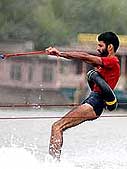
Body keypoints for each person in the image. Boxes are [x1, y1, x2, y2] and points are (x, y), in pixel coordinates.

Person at [45, 31, 120, 160]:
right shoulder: (104, 64)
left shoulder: (112, 61)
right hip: (92, 99)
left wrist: (60, 53)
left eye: (100, 45)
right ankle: (54, 162)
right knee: (58, 126)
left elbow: (84, 56)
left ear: (110, 47)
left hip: (96, 102)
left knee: (57, 126)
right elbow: (83, 59)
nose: (98, 48)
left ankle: (53, 164)